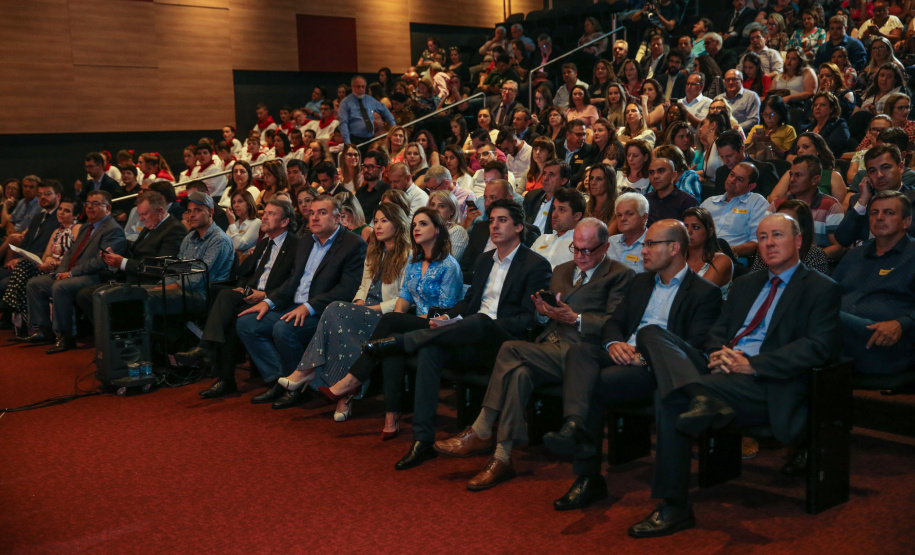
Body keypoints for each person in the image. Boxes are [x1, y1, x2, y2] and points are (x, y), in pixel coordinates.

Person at [627, 212, 841, 537]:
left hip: (764, 382)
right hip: (720, 368)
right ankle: (701, 396)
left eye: (777, 236)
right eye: (763, 237)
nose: (768, 244)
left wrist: (751, 364)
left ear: (798, 241)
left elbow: (817, 348)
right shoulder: (745, 284)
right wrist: (718, 353)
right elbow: (717, 331)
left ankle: (674, 506)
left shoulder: (821, 289)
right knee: (652, 333)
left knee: (669, 398)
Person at [342, 199, 551, 470]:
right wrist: (447, 316)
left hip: (503, 343)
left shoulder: (535, 264)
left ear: (519, 227)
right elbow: (469, 302)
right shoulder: (485, 260)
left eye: (502, 220)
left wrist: (468, 320)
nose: (495, 226)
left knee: (480, 321)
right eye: (492, 220)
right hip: (470, 335)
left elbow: (528, 319)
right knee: (431, 350)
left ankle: (399, 342)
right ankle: (422, 440)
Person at [433, 217, 634, 490]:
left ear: (605, 247)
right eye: (575, 248)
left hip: (581, 354)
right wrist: (543, 314)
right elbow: (546, 319)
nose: (580, 256)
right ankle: (502, 458)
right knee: (518, 373)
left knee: (509, 348)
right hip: (549, 345)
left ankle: (482, 427)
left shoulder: (620, 275)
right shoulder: (562, 269)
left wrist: (575, 318)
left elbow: (615, 324)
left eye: (587, 250)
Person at [545, 220, 723, 511]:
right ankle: (574, 424)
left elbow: (693, 347)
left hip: (657, 369)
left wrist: (645, 356)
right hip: (623, 354)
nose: (643, 250)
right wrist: (614, 344)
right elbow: (614, 322)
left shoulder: (704, 293)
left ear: (675, 247)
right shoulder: (640, 282)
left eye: (651, 244)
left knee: (593, 384)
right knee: (579, 353)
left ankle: (588, 474)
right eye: (645, 244)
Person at [279, 206, 461, 425]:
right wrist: (390, 320)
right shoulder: (414, 262)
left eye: (423, 224)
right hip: (403, 321)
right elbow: (402, 300)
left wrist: (394, 320)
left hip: (434, 326)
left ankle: (318, 373)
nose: (416, 229)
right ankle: (347, 392)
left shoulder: (449, 266)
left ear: (438, 230)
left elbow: (445, 311)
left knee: (339, 310)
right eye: (414, 225)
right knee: (342, 315)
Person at [231, 195, 367, 404]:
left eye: (322, 213)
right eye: (312, 213)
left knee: (284, 328)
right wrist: (268, 302)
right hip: (291, 304)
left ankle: (295, 391)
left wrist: (308, 307)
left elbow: (347, 290)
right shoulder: (305, 241)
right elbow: (292, 281)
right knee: (247, 323)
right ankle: (280, 381)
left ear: (338, 217)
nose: (314, 218)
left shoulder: (352, 244)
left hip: (322, 312)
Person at [180, 199, 301, 398]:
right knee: (224, 301)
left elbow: (295, 280)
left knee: (227, 305)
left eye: (272, 214)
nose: (265, 216)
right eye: (265, 212)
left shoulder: (295, 245)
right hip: (252, 294)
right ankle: (223, 375)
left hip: (276, 300)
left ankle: (208, 352)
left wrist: (266, 295)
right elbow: (246, 274)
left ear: (285, 221)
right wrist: (243, 288)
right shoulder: (264, 244)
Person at [19, 190, 127, 353]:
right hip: (74, 274)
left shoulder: (113, 230)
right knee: (35, 284)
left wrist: (70, 274)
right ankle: (43, 330)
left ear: (108, 208)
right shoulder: (86, 227)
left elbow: (101, 261)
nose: (90, 207)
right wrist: (60, 272)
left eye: (96, 204)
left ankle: (65, 337)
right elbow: (70, 253)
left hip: (95, 276)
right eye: (88, 203)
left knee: (60, 287)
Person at [834, 190, 915, 375]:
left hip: (886, 343)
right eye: (874, 213)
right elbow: (829, 293)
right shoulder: (854, 255)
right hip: (843, 339)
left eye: (888, 213)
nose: (879, 218)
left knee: (827, 318)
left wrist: (903, 323)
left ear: (906, 222)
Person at [0, 191, 77, 336]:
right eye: (60, 209)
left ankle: (12, 309)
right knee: (22, 267)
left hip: (62, 268)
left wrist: (53, 264)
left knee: (23, 271)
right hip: (46, 266)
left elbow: (73, 255)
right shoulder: (56, 231)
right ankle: (24, 321)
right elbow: (47, 254)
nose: (61, 213)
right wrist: (48, 260)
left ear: (75, 215)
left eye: (67, 211)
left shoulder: (77, 229)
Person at [836, 144, 915, 246]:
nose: (879, 175)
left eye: (885, 167)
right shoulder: (859, 201)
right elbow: (842, 239)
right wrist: (862, 202)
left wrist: (863, 245)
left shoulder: (912, 198)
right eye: (872, 171)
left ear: (901, 167)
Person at [769, 155, 845, 260]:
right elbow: (765, 239)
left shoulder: (831, 206)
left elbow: (838, 247)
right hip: (779, 262)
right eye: (791, 175)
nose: (791, 179)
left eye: (798, 175)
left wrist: (807, 261)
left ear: (815, 180)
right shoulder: (777, 205)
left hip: (814, 267)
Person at [703, 160, 769, 262]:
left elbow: (757, 242)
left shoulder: (756, 202)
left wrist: (727, 251)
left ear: (750, 186)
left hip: (732, 260)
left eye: (740, 179)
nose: (732, 180)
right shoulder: (709, 202)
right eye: (732, 175)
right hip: (701, 255)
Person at [752, 199, 829, 274]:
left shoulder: (815, 254)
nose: (769, 243)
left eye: (787, 222)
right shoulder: (766, 248)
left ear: (801, 228)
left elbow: (816, 284)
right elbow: (754, 281)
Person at [771, 131, 849, 204]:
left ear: (818, 150)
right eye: (798, 148)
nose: (800, 151)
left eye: (805, 147)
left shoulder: (833, 176)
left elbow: (839, 208)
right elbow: (772, 198)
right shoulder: (790, 173)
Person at [713, 129, 780, 198]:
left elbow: (770, 202)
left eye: (729, 156)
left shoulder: (764, 170)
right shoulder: (721, 172)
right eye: (721, 157)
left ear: (742, 149)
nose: (725, 162)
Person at [530, 187, 585, 268]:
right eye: (554, 208)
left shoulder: (581, 246)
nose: (554, 215)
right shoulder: (542, 239)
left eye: (562, 210)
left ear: (577, 216)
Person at [683, 206, 734, 291]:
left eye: (696, 227)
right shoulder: (677, 259)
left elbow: (698, 293)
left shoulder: (722, 260)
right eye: (685, 227)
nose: (689, 232)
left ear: (710, 232)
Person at [339, 75, 397, 149]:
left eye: (363, 87)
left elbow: (385, 111)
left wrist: (393, 126)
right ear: (352, 87)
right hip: (354, 140)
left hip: (370, 139)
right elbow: (343, 123)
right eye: (358, 87)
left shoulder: (370, 100)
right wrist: (347, 143)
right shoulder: (345, 102)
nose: (361, 89)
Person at [796, 91, 851, 158]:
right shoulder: (806, 128)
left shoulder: (839, 125)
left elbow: (829, 150)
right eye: (815, 105)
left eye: (822, 105)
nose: (817, 108)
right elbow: (793, 149)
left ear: (832, 109)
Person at [646, 158, 699, 225]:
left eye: (661, 171)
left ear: (673, 175)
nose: (655, 176)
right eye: (651, 173)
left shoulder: (687, 201)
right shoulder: (645, 200)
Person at [744, 94, 797, 159]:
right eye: (765, 114)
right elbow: (745, 152)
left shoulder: (788, 130)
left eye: (772, 114)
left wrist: (770, 142)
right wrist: (753, 141)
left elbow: (787, 156)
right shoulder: (756, 128)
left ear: (780, 114)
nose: (768, 118)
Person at [523, 159, 568, 235]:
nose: (545, 178)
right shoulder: (532, 197)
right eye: (544, 174)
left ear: (563, 181)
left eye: (551, 175)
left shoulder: (566, 203)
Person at [607, 192, 649, 273]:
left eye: (629, 214)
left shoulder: (653, 245)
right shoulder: (611, 242)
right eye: (619, 215)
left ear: (644, 217)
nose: (622, 219)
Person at [554, 119, 599, 188]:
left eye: (584, 134)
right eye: (578, 134)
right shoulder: (555, 146)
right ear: (568, 135)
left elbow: (581, 174)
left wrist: (562, 183)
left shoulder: (589, 150)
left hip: (573, 188)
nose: (582, 138)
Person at [428, 190, 469, 260]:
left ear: (452, 211)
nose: (435, 209)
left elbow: (449, 264)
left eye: (441, 206)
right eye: (432, 205)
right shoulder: (427, 229)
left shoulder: (457, 231)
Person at [585, 164, 619, 233]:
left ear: (609, 182)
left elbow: (607, 236)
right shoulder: (586, 206)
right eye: (591, 178)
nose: (593, 183)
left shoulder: (617, 208)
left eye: (599, 179)